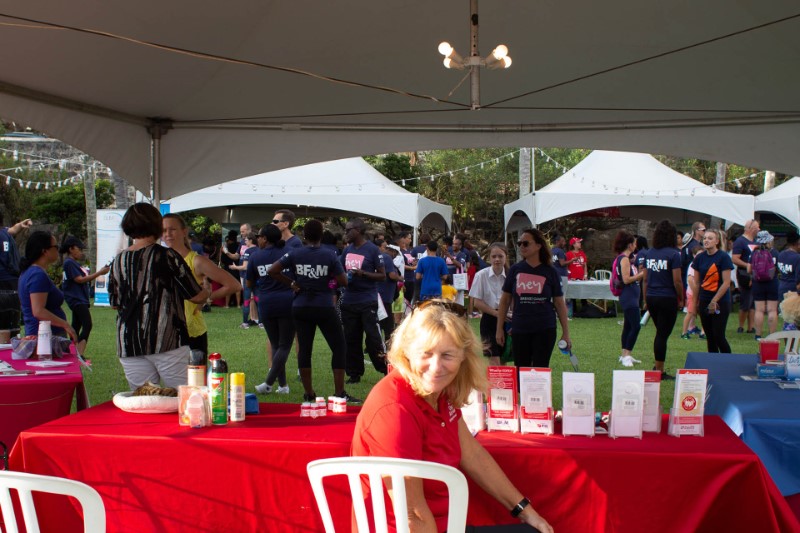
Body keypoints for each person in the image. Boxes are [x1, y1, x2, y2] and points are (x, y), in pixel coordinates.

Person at [352, 301, 553, 533]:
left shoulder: (437, 392)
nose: (436, 367)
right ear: (407, 353)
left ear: (463, 358)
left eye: (447, 355)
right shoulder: (395, 409)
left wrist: (526, 512)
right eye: (425, 354)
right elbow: (412, 516)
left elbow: (473, 454)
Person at [108, 203, 210, 390]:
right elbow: (196, 296)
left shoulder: (118, 260)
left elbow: (115, 303)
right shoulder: (167, 256)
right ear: (156, 226)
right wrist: (207, 290)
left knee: (145, 402)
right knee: (186, 399)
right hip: (167, 338)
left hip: (129, 341)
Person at [269, 219, 359, 403]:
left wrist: (292, 283)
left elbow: (273, 270)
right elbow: (344, 281)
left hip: (300, 306)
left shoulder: (294, 253)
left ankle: (309, 393)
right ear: (321, 235)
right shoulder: (329, 255)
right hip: (324, 305)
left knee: (305, 349)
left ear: (304, 235)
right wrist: (328, 279)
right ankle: (340, 392)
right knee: (339, 347)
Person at [162, 214, 240, 355]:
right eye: (163, 230)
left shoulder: (196, 260)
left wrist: (206, 299)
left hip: (191, 331)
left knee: (195, 376)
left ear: (184, 231)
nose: (167, 234)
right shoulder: (159, 259)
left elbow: (233, 285)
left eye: (172, 229)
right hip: (165, 331)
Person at [496, 228, 570, 369]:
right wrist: (499, 329)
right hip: (520, 328)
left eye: (526, 243)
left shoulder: (550, 271)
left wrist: (566, 333)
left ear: (538, 246)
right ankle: (522, 393)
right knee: (521, 369)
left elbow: (559, 303)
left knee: (540, 370)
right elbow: (505, 301)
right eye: (520, 244)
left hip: (545, 328)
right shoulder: (515, 270)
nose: (521, 247)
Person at [339, 218, 387, 384]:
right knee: (351, 338)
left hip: (367, 300)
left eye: (348, 230)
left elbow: (382, 275)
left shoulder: (372, 250)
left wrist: (363, 274)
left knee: (373, 338)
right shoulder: (347, 250)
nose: (345, 234)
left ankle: (384, 369)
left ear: (358, 230)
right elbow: (339, 270)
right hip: (349, 301)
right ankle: (354, 373)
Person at [250, 224, 295, 394]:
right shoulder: (289, 253)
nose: (257, 239)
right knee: (283, 345)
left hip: (267, 303)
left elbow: (249, 282)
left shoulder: (255, 256)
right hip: (288, 302)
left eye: (259, 236)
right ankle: (277, 385)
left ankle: (276, 385)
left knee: (277, 345)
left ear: (265, 238)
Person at [642, 220, 683, 378]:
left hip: (652, 296)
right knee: (662, 334)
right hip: (667, 297)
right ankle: (659, 370)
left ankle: (657, 366)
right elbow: (677, 281)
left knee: (660, 332)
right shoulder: (674, 254)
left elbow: (645, 279)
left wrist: (646, 299)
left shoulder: (650, 253)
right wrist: (681, 298)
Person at [18, 231, 76, 341]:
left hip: (40, 334)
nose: (58, 250)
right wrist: (66, 325)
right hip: (45, 337)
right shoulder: (37, 275)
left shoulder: (29, 272)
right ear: (44, 251)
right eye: (55, 247)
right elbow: (38, 311)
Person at [59, 236, 109, 355]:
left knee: (76, 326)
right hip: (77, 299)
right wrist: (100, 273)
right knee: (87, 324)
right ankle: (79, 354)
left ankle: (69, 351)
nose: (81, 252)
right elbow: (80, 279)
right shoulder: (69, 263)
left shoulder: (72, 263)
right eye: (79, 249)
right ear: (71, 249)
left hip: (78, 299)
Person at [692, 229, 733, 353]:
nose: (706, 241)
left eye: (710, 238)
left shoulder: (723, 257)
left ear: (717, 241)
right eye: (704, 238)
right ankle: (713, 364)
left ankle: (728, 361)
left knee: (718, 336)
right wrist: (695, 303)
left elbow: (726, 282)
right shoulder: (699, 258)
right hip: (704, 299)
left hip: (721, 301)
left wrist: (714, 300)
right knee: (709, 337)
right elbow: (697, 283)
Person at [469, 242, 509, 366]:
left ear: (506, 257)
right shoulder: (481, 275)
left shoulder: (511, 275)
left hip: (507, 319)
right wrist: (496, 314)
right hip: (489, 318)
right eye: (494, 256)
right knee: (493, 357)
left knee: (503, 358)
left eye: (500, 256)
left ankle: (504, 385)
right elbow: (477, 302)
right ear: (489, 258)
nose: (497, 259)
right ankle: (494, 385)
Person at [614, 231, 645, 367]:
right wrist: (642, 274)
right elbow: (626, 279)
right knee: (636, 326)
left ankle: (624, 354)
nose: (635, 246)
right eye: (634, 243)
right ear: (630, 245)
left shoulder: (625, 258)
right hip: (628, 296)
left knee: (628, 326)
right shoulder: (624, 259)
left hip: (631, 296)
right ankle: (627, 353)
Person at [732, 219, 760, 334]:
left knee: (753, 301)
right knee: (745, 301)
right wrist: (748, 265)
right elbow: (735, 258)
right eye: (758, 227)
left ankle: (751, 327)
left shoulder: (756, 241)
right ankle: (741, 326)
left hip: (756, 275)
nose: (759, 229)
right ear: (751, 228)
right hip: (744, 275)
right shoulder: (740, 241)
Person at [751, 230, 779, 340]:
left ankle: (758, 335)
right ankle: (772, 335)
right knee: (772, 310)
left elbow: (749, 268)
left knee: (759, 310)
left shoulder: (754, 252)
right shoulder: (775, 252)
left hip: (758, 283)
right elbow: (777, 268)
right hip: (772, 283)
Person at [231, 232, 259, 328]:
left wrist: (235, 267)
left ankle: (245, 323)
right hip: (258, 279)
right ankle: (261, 323)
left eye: (246, 240)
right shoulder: (260, 250)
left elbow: (245, 267)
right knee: (257, 300)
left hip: (248, 279)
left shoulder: (248, 251)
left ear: (251, 240)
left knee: (246, 301)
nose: (245, 241)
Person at [377, 239, 401, 346]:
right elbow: (391, 275)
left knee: (379, 322)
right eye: (395, 253)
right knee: (388, 324)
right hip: (385, 296)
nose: (395, 256)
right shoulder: (387, 257)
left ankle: (374, 344)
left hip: (380, 295)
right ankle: (388, 344)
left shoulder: (380, 257)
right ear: (392, 251)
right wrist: (400, 278)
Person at [0, 213, 32, 291]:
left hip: (6, 280)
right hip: (12, 278)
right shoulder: (5, 233)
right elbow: (13, 229)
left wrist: (21, 224)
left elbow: (13, 229)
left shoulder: (4, 233)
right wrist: (21, 224)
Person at [680, 246, 706, 340]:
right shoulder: (693, 265)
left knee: (704, 313)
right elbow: (690, 280)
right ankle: (684, 332)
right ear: (694, 255)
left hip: (700, 293)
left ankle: (703, 332)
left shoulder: (702, 264)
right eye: (698, 254)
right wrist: (696, 293)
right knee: (690, 312)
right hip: (693, 293)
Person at [551, 234, 576, 318]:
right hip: (561, 275)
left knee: (554, 295)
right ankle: (562, 315)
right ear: (558, 241)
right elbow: (562, 263)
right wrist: (572, 260)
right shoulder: (560, 251)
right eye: (563, 241)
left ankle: (554, 313)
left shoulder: (551, 250)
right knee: (562, 295)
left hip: (553, 275)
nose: (564, 243)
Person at [681, 222, 706, 289]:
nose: (705, 232)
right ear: (696, 231)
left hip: (685, 277)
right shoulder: (694, 246)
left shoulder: (689, 244)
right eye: (703, 230)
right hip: (692, 278)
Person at [777, 230, 800, 303]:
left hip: (782, 289)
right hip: (793, 292)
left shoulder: (780, 254)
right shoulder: (797, 258)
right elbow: (798, 279)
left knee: (784, 314)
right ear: (797, 243)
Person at [566, 237, 587, 313]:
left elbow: (585, 264)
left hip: (581, 276)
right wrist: (569, 276)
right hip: (573, 277)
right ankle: (574, 310)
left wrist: (585, 275)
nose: (580, 243)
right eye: (578, 242)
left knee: (583, 293)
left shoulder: (582, 253)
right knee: (573, 294)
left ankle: (585, 309)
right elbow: (566, 266)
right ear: (574, 245)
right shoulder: (568, 254)